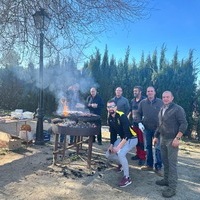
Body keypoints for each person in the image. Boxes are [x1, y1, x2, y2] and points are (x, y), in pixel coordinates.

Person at [153, 91, 188, 198]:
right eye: (163, 97)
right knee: (165, 161)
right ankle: (166, 180)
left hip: (172, 140)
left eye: (167, 97)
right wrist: (155, 136)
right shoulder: (162, 108)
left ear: (172, 98)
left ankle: (172, 188)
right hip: (163, 139)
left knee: (172, 164)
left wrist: (177, 138)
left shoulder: (177, 109)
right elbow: (160, 124)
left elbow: (184, 123)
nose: (165, 99)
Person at [105, 99, 138, 187]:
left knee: (121, 153)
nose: (110, 108)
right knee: (108, 154)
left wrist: (118, 147)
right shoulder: (110, 117)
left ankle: (127, 178)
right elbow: (113, 133)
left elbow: (127, 134)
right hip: (123, 138)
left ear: (116, 107)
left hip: (132, 138)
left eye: (112, 106)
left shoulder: (122, 115)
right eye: (108, 107)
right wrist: (111, 145)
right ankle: (122, 164)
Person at [138, 86, 163, 175]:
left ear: (155, 92)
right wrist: (139, 123)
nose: (150, 93)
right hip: (147, 129)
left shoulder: (161, 102)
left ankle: (158, 167)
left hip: (158, 129)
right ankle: (149, 165)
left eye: (151, 91)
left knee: (158, 148)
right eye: (148, 91)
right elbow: (138, 114)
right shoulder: (142, 103)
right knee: (148, 147)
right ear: (146, 93)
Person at [129, 86, 146, 166]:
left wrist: (142, 122)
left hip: (141, 124)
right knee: (136, 140)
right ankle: (138, 154)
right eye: (134, 91)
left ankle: (142, 157)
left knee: (142, 141)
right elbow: (130, 111)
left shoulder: (144, 100)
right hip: (134, 123)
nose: (134, 92)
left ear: (140, 92)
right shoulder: (132, 101)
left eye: (136, 91)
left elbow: (146, 112)